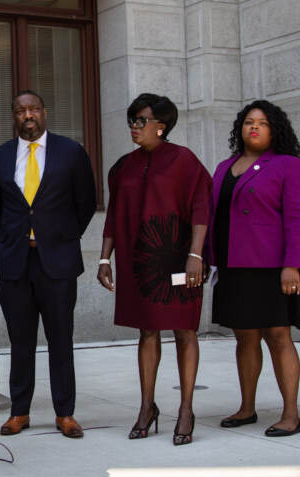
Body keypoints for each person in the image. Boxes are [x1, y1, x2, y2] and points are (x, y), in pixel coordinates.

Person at [98, 93, 212, 446]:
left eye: (141, 120)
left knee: (184, 331)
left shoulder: (184, 161)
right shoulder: (123, 166)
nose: (134, 126)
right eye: (132, 120)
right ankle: (147, 407)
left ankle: (186, 409)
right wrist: (104, 258)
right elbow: (114, 216)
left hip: (178, 259)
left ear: (161, 126)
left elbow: (201, 208)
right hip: (138, 263)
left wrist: (196, 254)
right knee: (147, 333)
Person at [0, 91, 96, 437]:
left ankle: (65, 413)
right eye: (20, 111)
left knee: (60, 339)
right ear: (14, 117)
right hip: (15, 263)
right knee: (21, 341)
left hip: (57, 262)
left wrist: (60, 237)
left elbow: (86, 203)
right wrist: (1, 248)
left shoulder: (71, 153)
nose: (28, 115)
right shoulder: (0, 158)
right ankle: (20, 412)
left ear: (45, 113)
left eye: (33, 109)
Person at [208, 100, 300, 437]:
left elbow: (296, 217)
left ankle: (291, 412)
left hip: (271, 265)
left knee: (278, 336)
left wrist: (293, 265)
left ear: (274, 129)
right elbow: (214, 217)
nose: (254, 127)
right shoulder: (223, 167)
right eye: (249, 122)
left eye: (262, 122)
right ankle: (247, 408)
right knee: (244, 337)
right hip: (233, 265)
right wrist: (207, 258)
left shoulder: (288, 165)